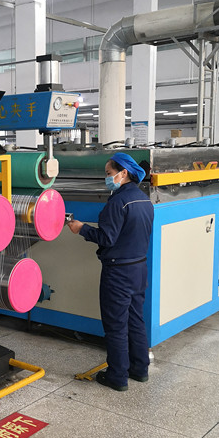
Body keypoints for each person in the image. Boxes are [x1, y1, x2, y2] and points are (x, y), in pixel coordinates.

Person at [67, 152, 154, 392]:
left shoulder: (118, 201)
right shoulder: (144, 199)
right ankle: (140, 369)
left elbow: (107, 238)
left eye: (109, 173)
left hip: (118, 273)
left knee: (116, 325)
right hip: (139, 268)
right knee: (136, 320)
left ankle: (117, 376)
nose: (107, 178)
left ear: (123, 173)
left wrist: (81, 229)